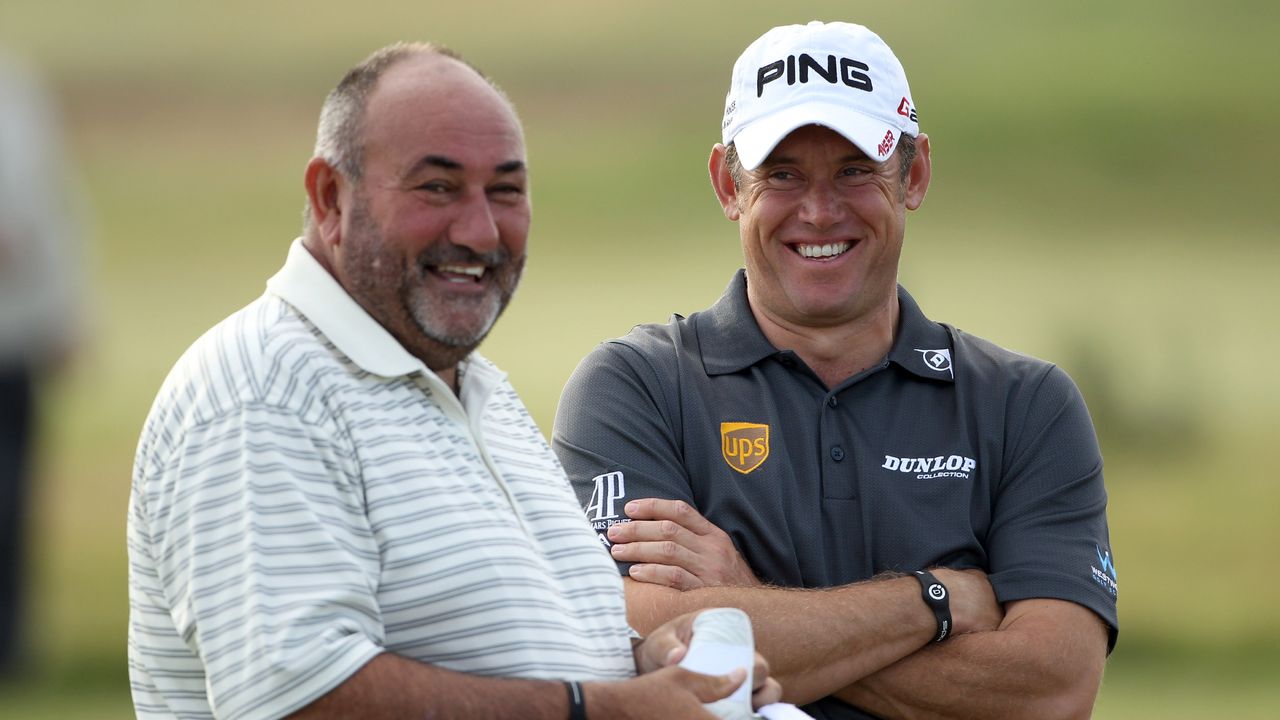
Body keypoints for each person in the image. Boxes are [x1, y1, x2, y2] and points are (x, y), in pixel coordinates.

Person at [127, 42, 781, 719]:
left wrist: (653, 663)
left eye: (505, 190)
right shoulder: (262, 393)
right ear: (330, 198)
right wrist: (608, 708)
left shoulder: (480, 392)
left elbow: (534, 658)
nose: (480, 231)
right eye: (437, 187)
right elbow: (300, 698)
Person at [553, 21, 1118, 720]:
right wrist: (934, 601)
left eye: (855, 170)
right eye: (782, 174)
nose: (820, 212)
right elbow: (640, 639)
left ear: (915, 175)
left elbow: (1052, 688)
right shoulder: (633, 388)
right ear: (729, 185)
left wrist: (744, 598)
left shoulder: (1026, 404)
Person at [0, 49, 85, 680]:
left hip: (14, 335)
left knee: (11, 496)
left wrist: (63, 312)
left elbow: (54, 214)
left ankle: (9, 644)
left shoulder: (17, 95)